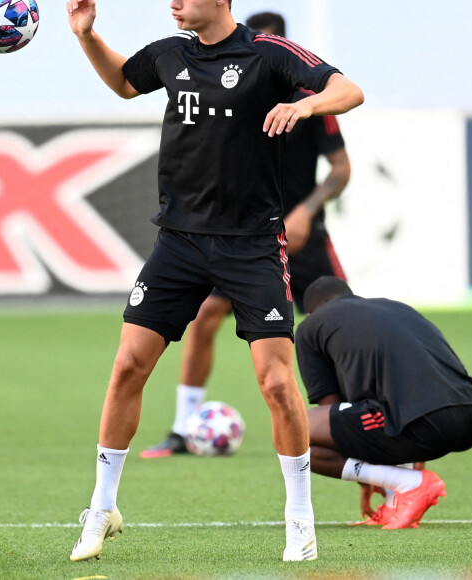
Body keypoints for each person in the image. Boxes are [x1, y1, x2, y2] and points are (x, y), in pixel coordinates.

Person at [66, 0, 364, 562]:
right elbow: (125, 84)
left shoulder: (267, 54)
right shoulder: (170, 53)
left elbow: (350, 90)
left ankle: (299, 518)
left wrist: (307, 108)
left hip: (252, 245)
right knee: (128, 363)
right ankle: (102, 506)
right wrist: (88, 36)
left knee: (277, 383)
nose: (173, 2)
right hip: (177, 242)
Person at [141, 11, 351, 460]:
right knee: (203, 319)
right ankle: (183, 427)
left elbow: (340, 170)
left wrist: (305, 213)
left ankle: (356, 419)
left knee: (337, 324)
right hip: (243, 233)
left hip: (303, 235)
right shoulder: (225, 84)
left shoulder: (310, 99)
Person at [295, 276, 472, 529]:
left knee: (294, 430)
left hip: (424, 419)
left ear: (311, 311)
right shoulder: (398, 308)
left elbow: (330, 410)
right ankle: (397, 500)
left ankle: (407, 483)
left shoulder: (311, 326)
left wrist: (367, 471)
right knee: (385, 413)